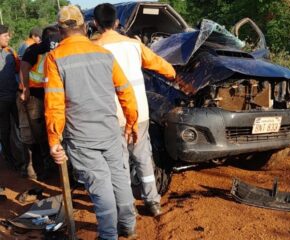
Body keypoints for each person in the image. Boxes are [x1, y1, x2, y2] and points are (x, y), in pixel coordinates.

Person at [44, 5, 138, 239]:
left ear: (59, 30)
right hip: (110, 131)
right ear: (84, 26)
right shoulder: (104, 54)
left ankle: (108, 235)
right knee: (119, 178)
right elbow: (126, 91)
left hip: (82, 137)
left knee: (100, 186)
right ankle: (127, 225)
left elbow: (54, 103)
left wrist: (54, 139)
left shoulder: (55, 58)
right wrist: (131, 122)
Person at [93, 3, 176, 217]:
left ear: (95, 24)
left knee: (118, 162)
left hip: (111, 115)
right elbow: (162, 66)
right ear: (117, 23)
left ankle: (127, 206)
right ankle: (152, 202)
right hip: (139, 112)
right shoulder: (133, 45)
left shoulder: (93, 48)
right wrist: (175, 75)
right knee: (142, 156)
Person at [17, 25, 61, 180]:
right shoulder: (34, 50)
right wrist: (25, 90)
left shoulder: (56, 49)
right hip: (32, 96)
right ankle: (33, 168)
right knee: (34, 133)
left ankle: (48, 165)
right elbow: (24, 67)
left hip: (48, 95)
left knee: (46, 130)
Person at [0, 24, 20, 166]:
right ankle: (8, 158)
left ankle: (25, 158)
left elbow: (18, 70)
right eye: (5, 35)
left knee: (20, 127)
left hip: (14, 97)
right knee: (4, 130)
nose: (9, 37)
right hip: (1, 101)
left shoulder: (10, 51)